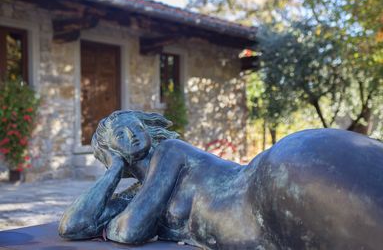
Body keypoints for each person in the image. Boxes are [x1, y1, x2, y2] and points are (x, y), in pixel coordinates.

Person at [59, 110, 383, 250]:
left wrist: (115, 226)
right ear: (110, 149)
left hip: (249, 198)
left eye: (134, 126)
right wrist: (114, 170)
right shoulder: (135, 195)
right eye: (119, 135)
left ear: (147, 127)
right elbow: (72, 227)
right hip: (249, 226)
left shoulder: (170, 151)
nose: (131, 135)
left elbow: (129, 231)